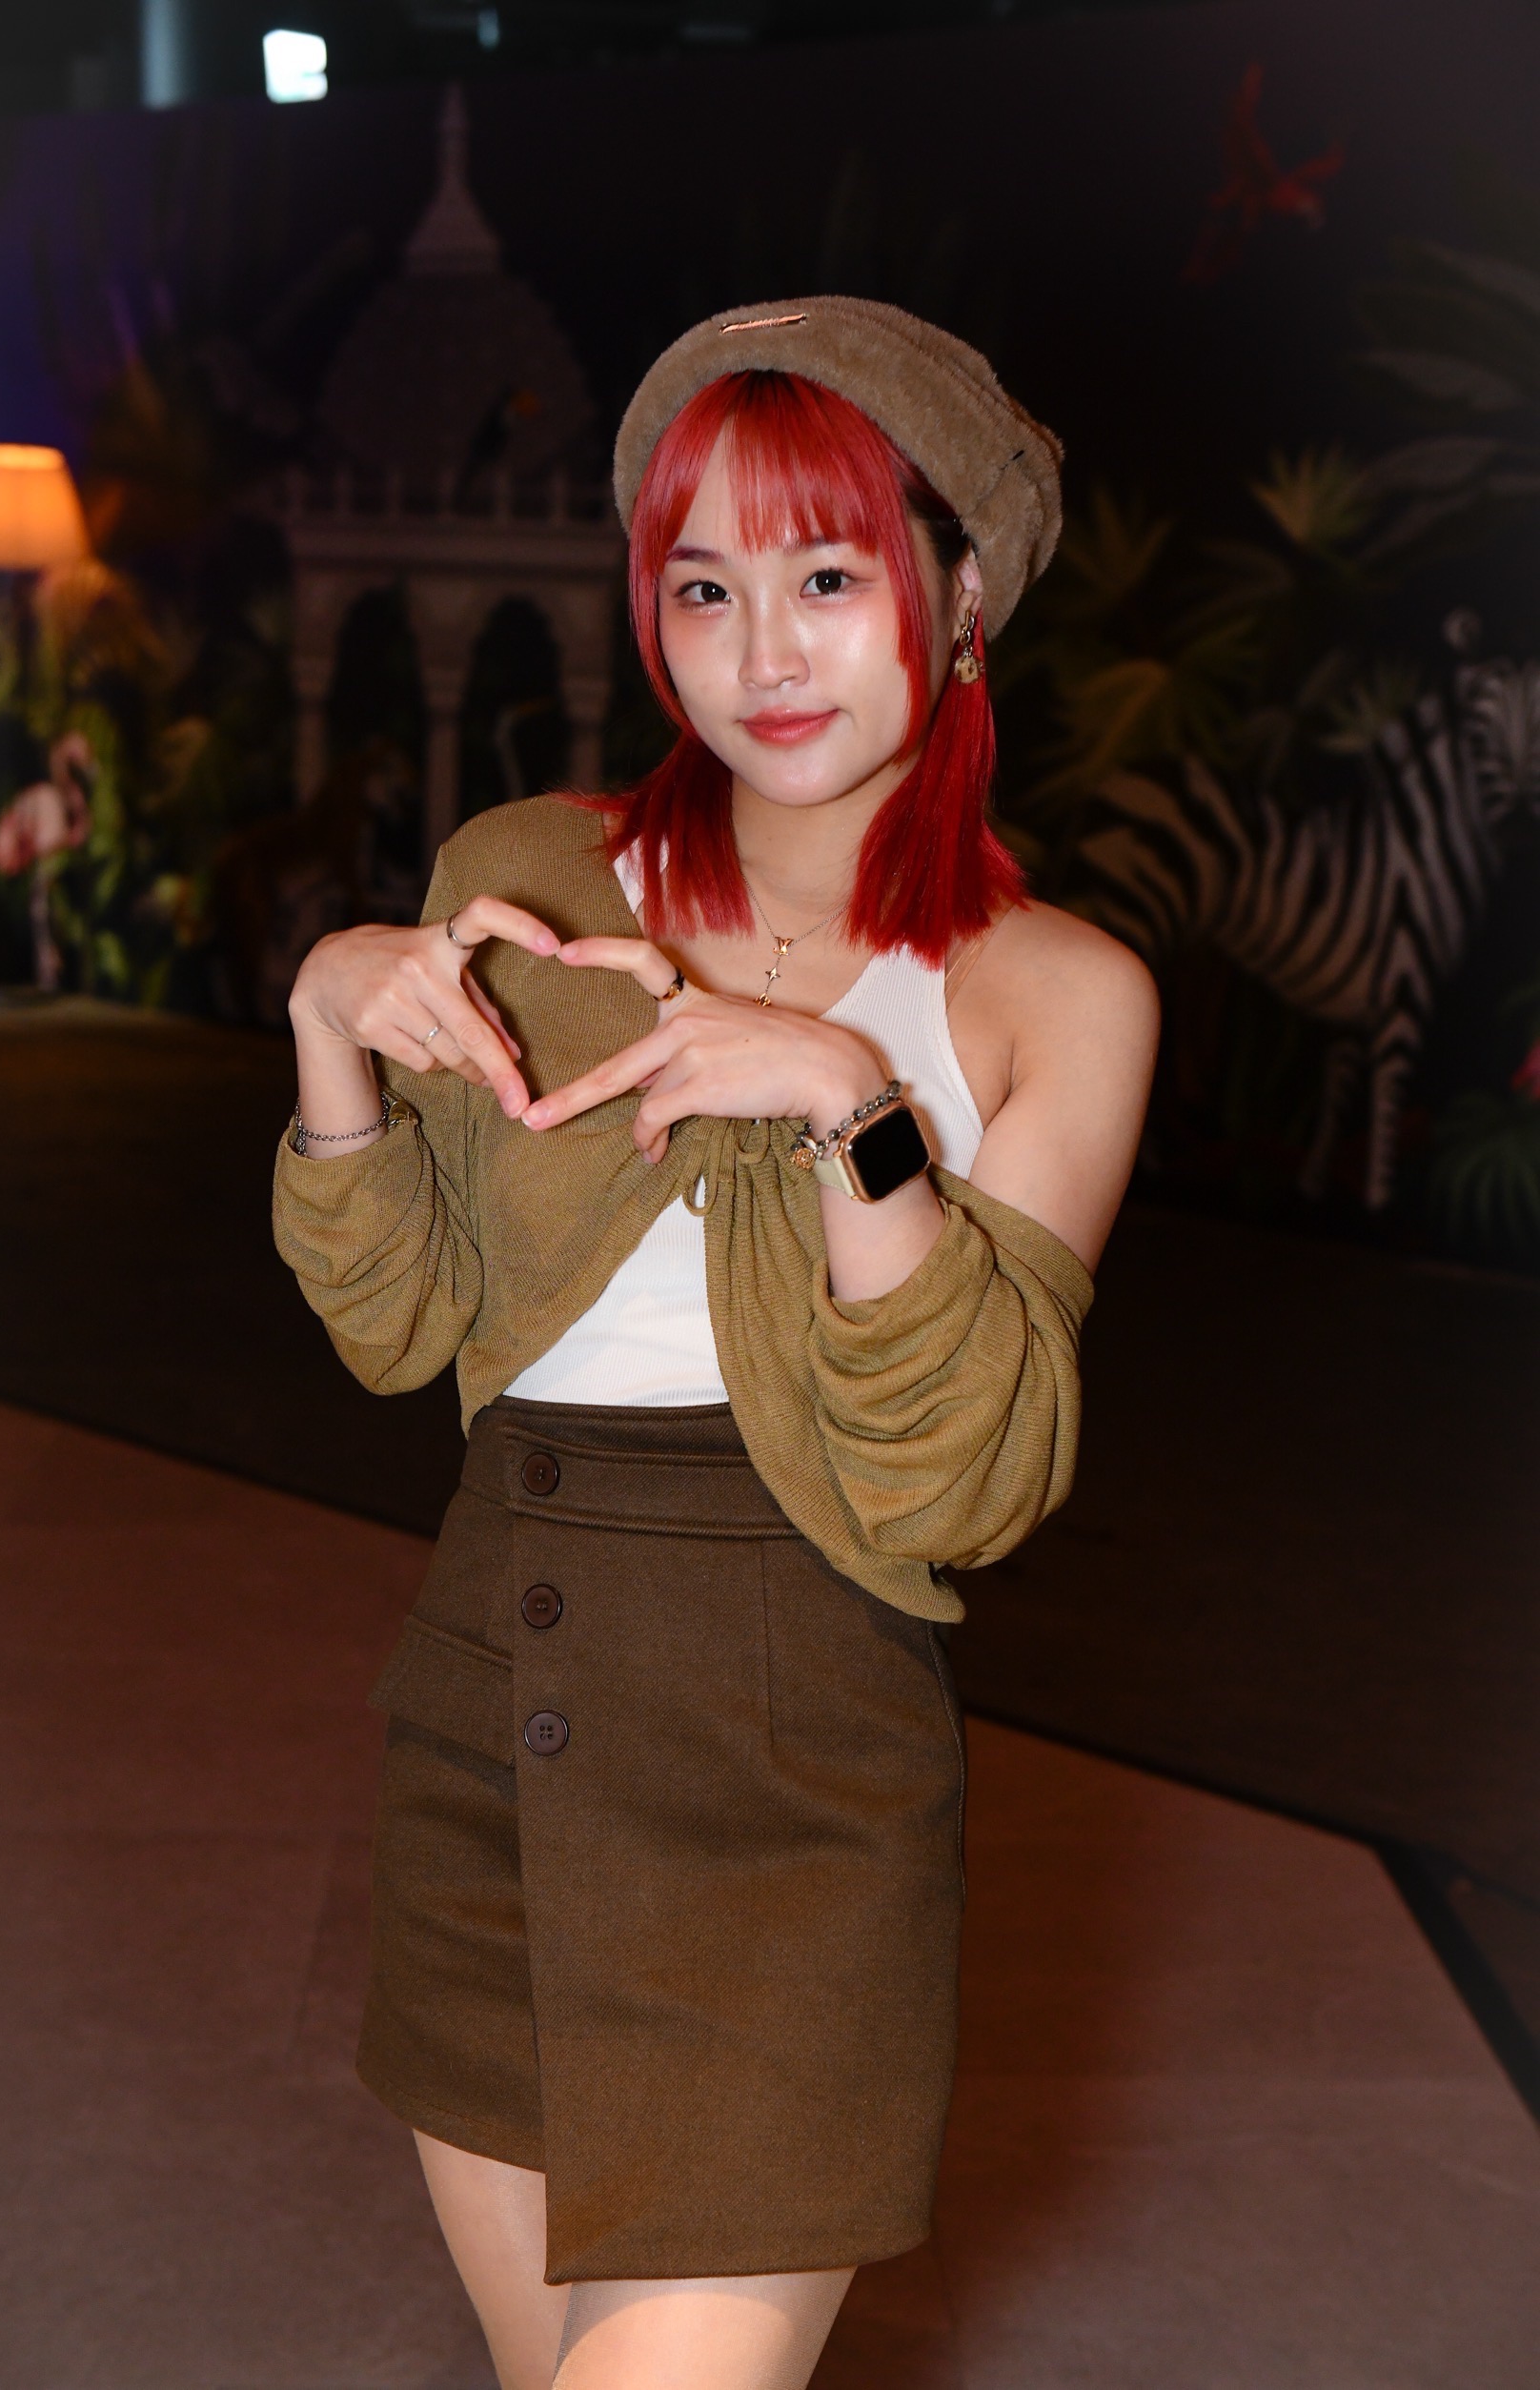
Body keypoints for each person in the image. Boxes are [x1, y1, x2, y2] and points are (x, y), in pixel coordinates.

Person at [274, 298, 1158, 2390]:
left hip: (797, 1783)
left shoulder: (1057, 993)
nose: (762, 650)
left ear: (957, 595)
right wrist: (328, 1034)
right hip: (496, 1722)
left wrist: (848, 1104)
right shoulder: (527, 882)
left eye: (827, 577)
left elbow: (961, 1477)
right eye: (702, 587)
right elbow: (400, 1323)